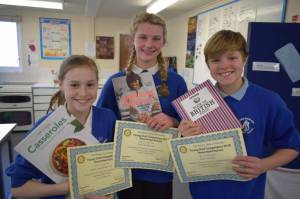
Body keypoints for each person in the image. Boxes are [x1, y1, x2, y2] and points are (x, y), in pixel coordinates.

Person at [178, 30, 300, 199]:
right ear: (208, 64)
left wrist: (264, 165)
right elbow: (187, 153)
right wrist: (184, 137)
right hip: (203, 192)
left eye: (232, 58)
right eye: (216, 60)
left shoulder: (269, 101)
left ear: (245, 58)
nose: (224, 65)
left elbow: (292, 147)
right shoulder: (194, 102)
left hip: (247, 193)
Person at [97, 13, 188, 199]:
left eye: (156, 38)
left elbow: (189, 126)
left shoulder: (177, 82)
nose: (149, 44)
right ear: (133, 40)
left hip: (160, 170)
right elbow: (101, 125)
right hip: (125, 170)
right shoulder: (116, 82)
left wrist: (173, 121)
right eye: (143, 37)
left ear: (164, 42)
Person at [6, 55, 117, 199]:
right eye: (74, 85)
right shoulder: (44, 129)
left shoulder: (108, 118)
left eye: (90, 85)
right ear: (61, 85)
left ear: (97, 84)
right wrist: (66, 188)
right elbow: (18, 189)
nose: (83, 93)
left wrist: (110, 190)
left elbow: (114, 165)